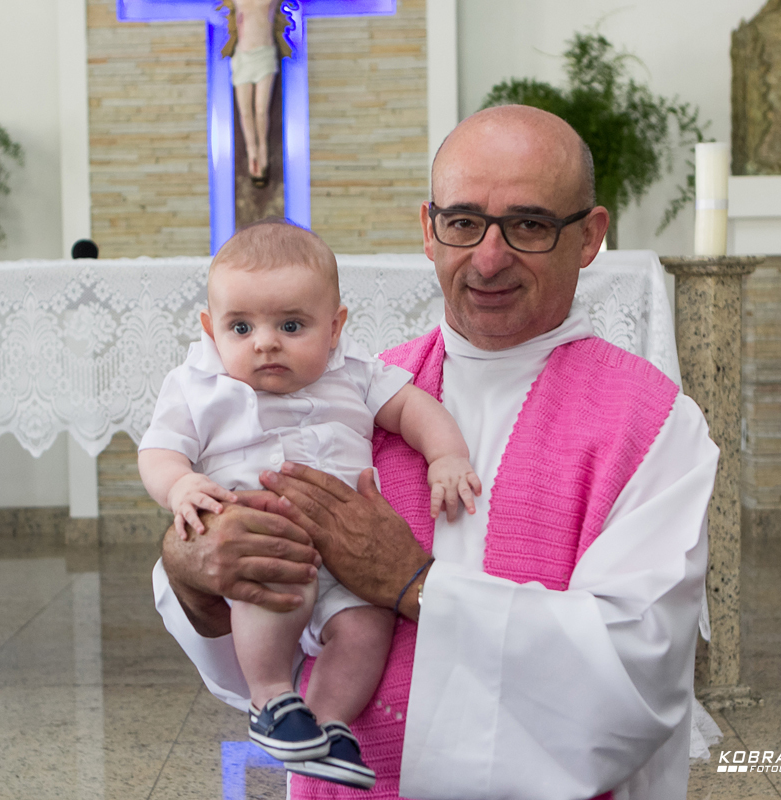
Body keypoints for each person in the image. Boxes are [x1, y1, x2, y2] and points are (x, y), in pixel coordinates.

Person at [153, 105, 719, 800]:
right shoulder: (341, 395)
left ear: (590, 237)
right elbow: (253, 649)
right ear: (429, 230)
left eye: (530, 225)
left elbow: (637, 664)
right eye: (462, 222)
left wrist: (418, 584)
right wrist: (190, 573)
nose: (488, 257)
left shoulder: (652, 422)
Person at [138, 221, 480, 790]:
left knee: (367, 622)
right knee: (275, 590)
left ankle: (327, 723)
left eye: (291, 325)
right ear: (209, 329)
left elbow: (415, 409)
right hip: (263, 545)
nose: (265, 342)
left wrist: (446, 456)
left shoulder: (356, 373)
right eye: (240, 327)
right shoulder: (198, 384)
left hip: (348, 558)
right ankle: (272, 699)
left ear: (335, 327)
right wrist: (179, 487)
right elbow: (158, 451)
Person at [221, 0, 287, 186]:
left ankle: (263, 151)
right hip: (243, 56)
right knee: (245, 111)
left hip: (264, 54)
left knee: (260, 109)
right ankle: (252, 153)